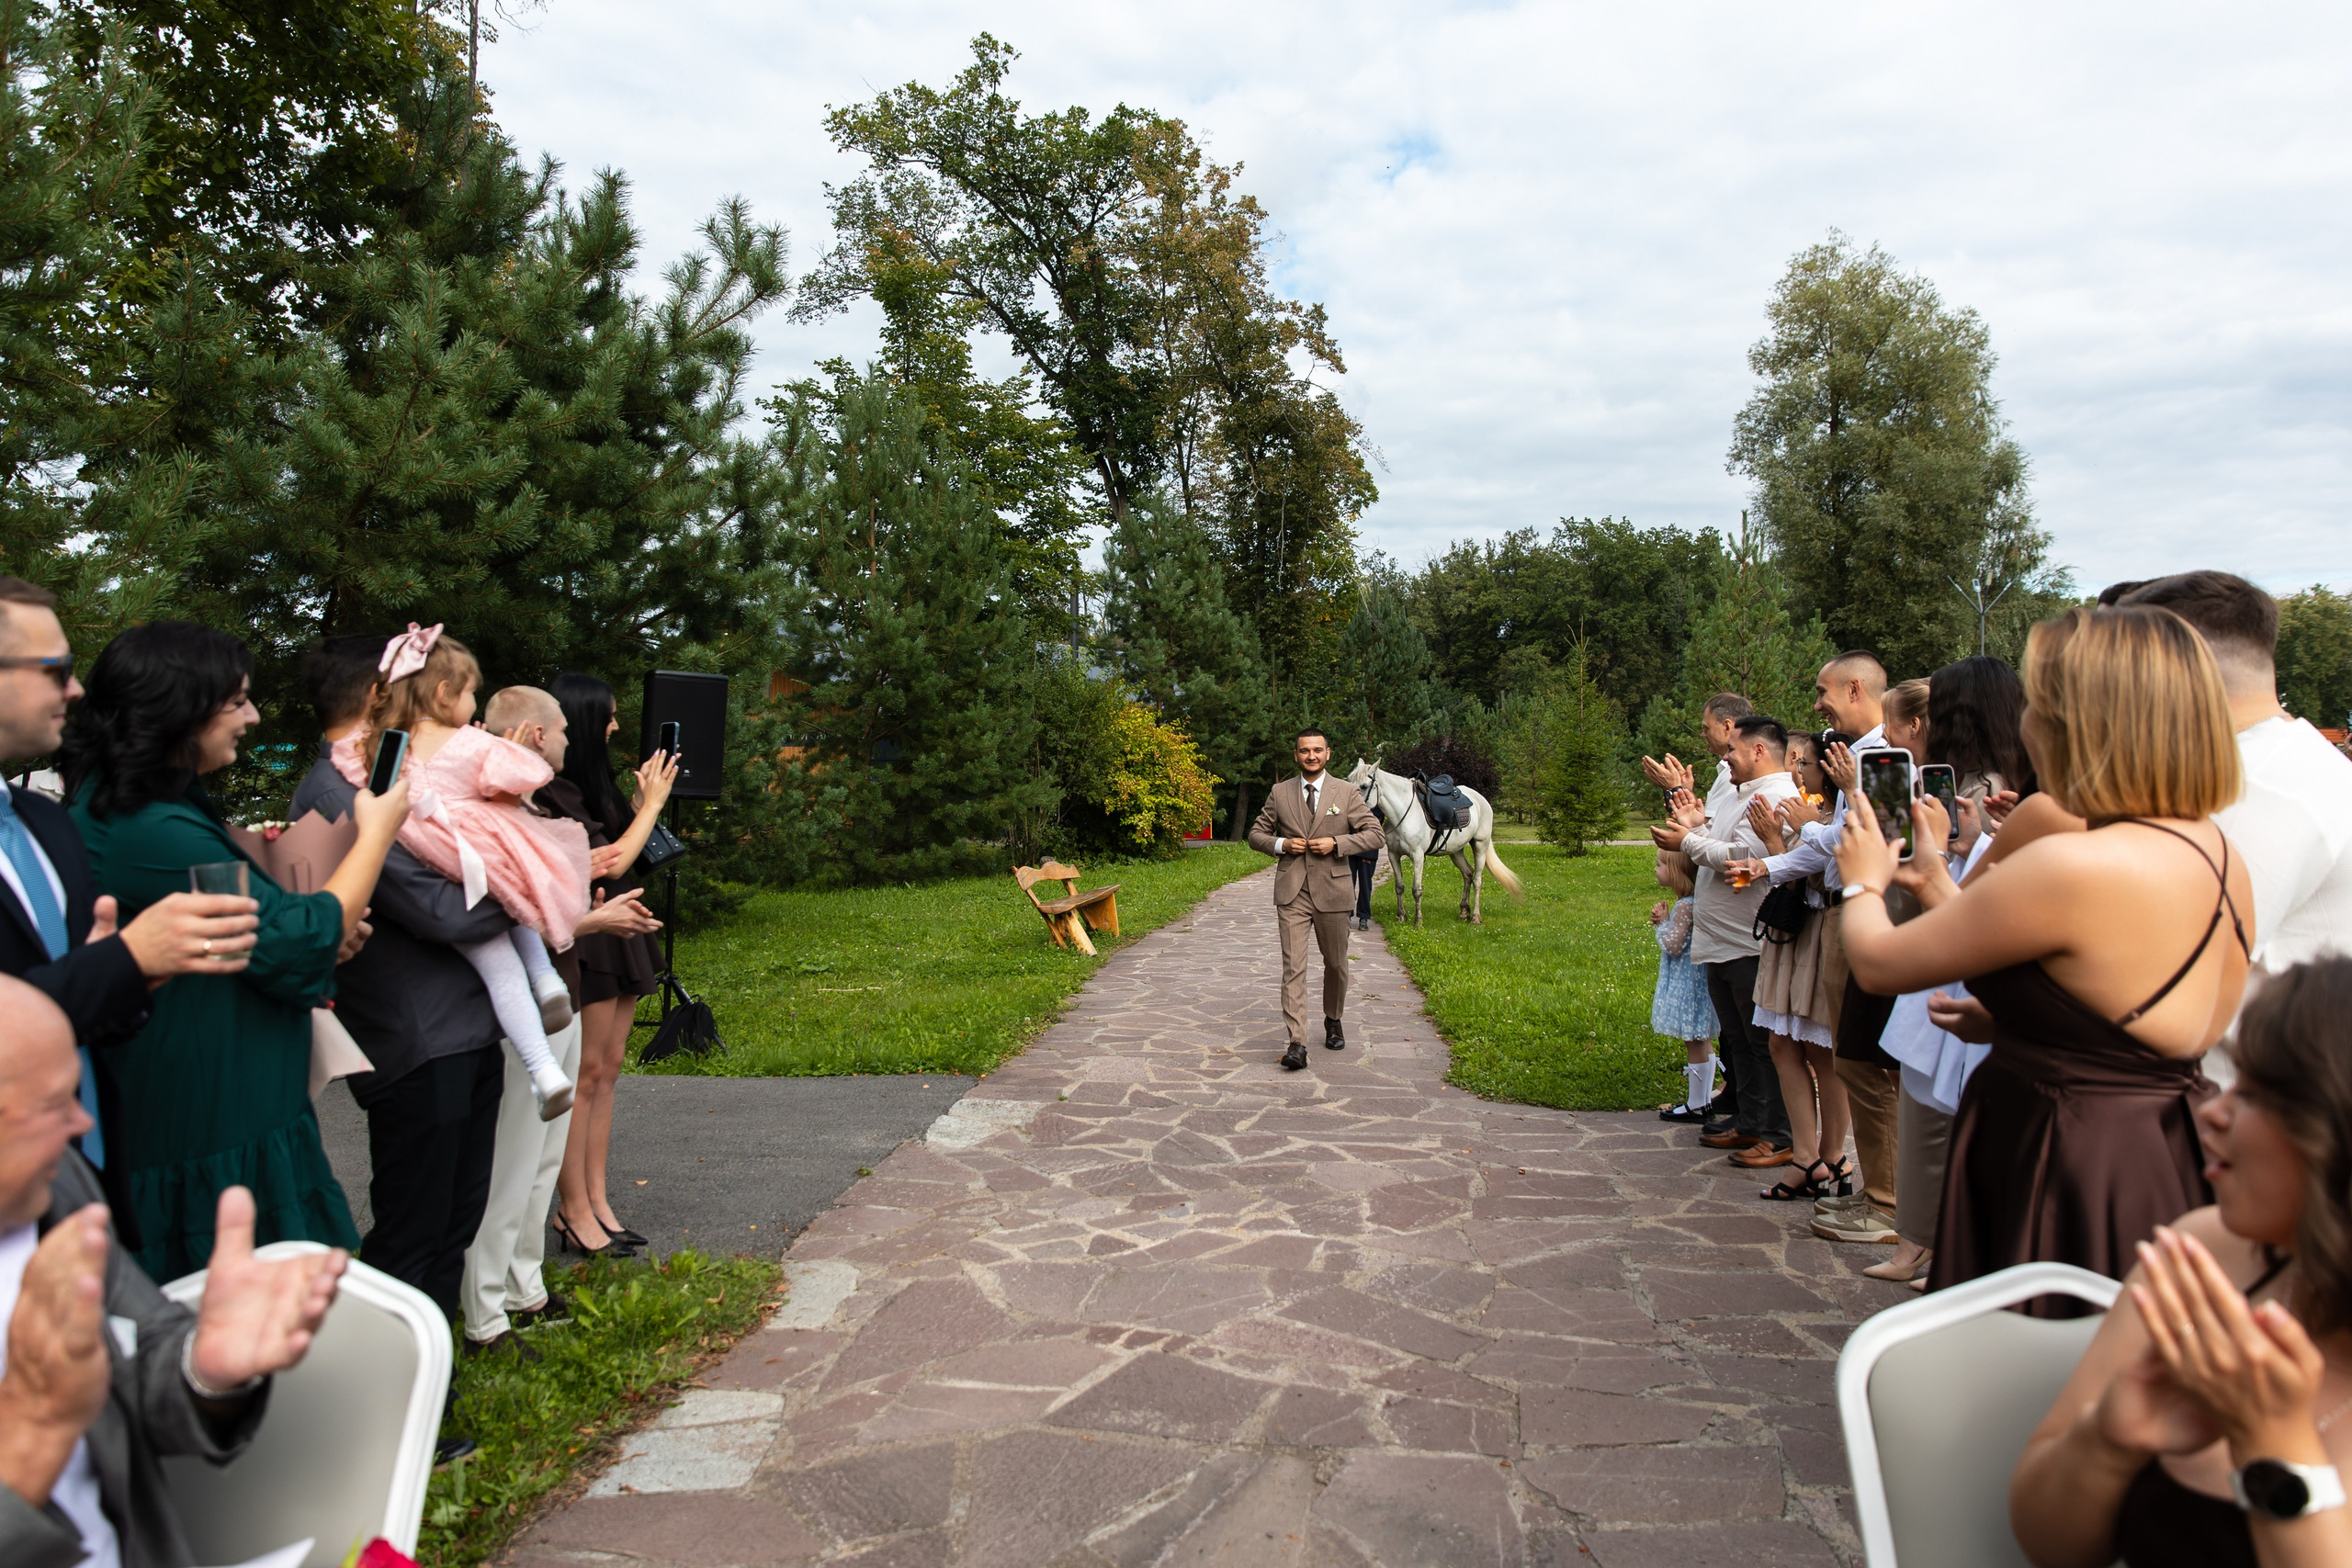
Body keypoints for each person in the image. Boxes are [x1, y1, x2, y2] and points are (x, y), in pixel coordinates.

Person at [1838, 604, 2253, 1303]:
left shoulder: (2070, 864)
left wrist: (1862, 878)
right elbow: (2141, 1013)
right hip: (2158, 1144)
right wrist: (2015, 1022)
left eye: (2041, 704)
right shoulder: (2216, 850)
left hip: (2063, 1150)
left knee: (2036, 1353)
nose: (2027, 722)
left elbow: (1881, 962)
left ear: (2077, 722)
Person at [60, 622, 406, 1281]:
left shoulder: (158, 806)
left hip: (231, 1110)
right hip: (205, 1126)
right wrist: (376, 833)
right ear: (179, 707)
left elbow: (257, 934)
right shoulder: (145, 826)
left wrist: (312, 926)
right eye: (237, 701)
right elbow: (301, 936)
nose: (251, 716)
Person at [2010, 958, 2352, 1568]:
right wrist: (2107, 1440)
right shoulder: (2207, 1259)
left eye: (2258, 1095)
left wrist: (2275, 1447)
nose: (2214, 1111)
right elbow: (2046, 1543)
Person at [0, 975, 347, 1568]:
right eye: (55, 1103)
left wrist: (204, 1370)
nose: (83, 1124)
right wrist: (34, 1433)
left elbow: (146, 1349)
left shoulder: (57, 1189)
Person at [291, 635, 514, 1459]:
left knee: (450, 1221)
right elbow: (442, 911)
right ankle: (388, 1413)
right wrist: (530, 891)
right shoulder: (343, 787)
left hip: (454, 1030)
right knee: (412, 1232)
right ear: (380, 696)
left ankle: (430, 1393)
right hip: (414, 1040)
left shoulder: (382, 774)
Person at [0, 578, 264, 1186]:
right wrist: (127, 958)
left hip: (84, 1170)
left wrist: (137, 973)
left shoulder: (42, 820)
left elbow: (87, 1000)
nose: (75, 688)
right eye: (55, 668)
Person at [458, 684, 661, 1348]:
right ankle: (486, 1311)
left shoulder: (533, 799)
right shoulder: (486, 807)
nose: (577, 741)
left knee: (542, 1154)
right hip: (524, 995)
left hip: (565, 981)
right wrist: (592, 915)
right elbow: (516, 906)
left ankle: (525, 1284)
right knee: (514, 1153)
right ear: (537, 735)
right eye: (565, 733)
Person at [333, 626, 588, 1119]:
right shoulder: (467, 742)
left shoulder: (383, 743)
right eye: (471, 692)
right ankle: (548, 985)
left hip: (430, 849)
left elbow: (351, 768)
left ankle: (543, 1071)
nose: (475, 702)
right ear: (446, 693)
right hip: (479, 847)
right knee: (519, 901)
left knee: (495, 964)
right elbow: (520, 777)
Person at [2113, 573, 2352, 1035]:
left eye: (2120, 663)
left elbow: (2159, 982)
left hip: (2222, 1091)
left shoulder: (2251, 786)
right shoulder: (2281, 762)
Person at [543, 673, 673, 1259]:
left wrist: (641, 810)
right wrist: (652, 805)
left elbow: (632, 854)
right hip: (589, 936)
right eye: (609, 717)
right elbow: (612, 858)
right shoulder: (550, 790)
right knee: (583, 1074)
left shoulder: (590, 785)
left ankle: (597, 1200)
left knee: (607, 1071)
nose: (616, 726)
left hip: (619, 929)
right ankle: (571, 1210)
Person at [1655, 713, 1802, 1167]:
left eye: (1733, 750)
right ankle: (1750, 1120)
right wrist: (1696, 826)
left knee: (1761, 1043)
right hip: (1721, 939)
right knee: (1739, 1039)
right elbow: (1718, 843)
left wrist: (1688, 842)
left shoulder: (1776, 796)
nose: (1726, 757)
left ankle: (1778, 1132)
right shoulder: (1742, 793)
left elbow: (1741, 858)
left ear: (1759, 750)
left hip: (1747, 939)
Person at [1733, 729, 1853, 1202]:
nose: (1797, 769)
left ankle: (1832, 1155)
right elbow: (1800, 863)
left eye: (1804, 762)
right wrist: (1764, 864)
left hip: (1820, 931)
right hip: (1791, 931)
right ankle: (1806, 1156)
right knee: (1782, 1043)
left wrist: (1781, 842)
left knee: (1823, 1052)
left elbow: (1830, 872)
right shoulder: (1814, 813)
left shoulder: (1832, 815)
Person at [1641, 691, 1756, 1131]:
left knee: (1746, 1036)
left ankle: (1752, 1113)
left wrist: (1680, 801)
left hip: (1736, 926)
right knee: (1734, 1035)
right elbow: (1705, 826)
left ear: (1729, 727)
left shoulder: (1742, 781)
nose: (1703, 735)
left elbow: (1726, 848)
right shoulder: (1727, 774)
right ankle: (1736, 1099)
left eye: (1707, 727)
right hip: (1719, 926)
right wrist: (1682, 796)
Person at [1247, 728, 1385, 1071]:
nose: (1311, 756)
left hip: (1334, 891)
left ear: (1328, 754)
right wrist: (1282, 845)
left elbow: (1375, 834)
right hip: (1292, 891)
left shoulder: (1348, 792)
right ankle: (1297, 1042)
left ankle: (1333, 1018)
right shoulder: (1280, 792)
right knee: (1293, 967)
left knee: (1336, 964)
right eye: (1304, 750)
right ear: (1296, 755)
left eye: (1317, 750)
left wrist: (1338, 844)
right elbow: (1256, 834)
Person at [1649, 848, 1720, 1122]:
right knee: (1704, 1040)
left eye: (1660, 865)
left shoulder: (1685, 906)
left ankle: (1697, 1104)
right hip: (1699, 979)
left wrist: (1662, 924)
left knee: (1694, 1040)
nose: (1656, 869)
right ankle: (1703, 1100)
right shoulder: (1693, 901)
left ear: (1676, 871)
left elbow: (1673, 945)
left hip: (1687, 982)